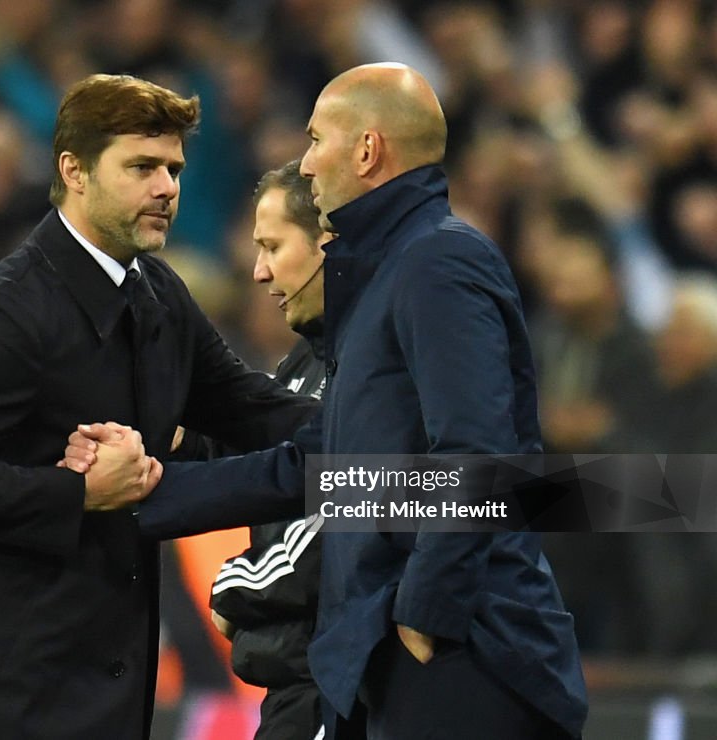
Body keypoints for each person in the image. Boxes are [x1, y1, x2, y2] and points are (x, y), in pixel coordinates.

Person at [68, 63, 588, 739]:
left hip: (468, 656)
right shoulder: (381, 282)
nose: (306, 164)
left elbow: (478, 452)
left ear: (367, 151)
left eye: (316, 141)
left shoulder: (439, 260)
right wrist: (146, 489)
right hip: (390, 660)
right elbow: (309, 470)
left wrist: (427, 609)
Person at [0, 73, 318, 740]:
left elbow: (250, 410)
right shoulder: (10, 310)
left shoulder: (159, 293)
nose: (167, 188)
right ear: (74, 172)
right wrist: (75, 491)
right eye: (142, 167)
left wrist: (401, 441)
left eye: (173, 168)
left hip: (97, 681)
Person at [209, 160, 330, 740]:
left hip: (337, 682)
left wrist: (240, 584)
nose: (259, 272)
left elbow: (362, 506)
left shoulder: (381, 360)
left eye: (273, 246)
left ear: (326, 243)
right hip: (291, 683)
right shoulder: (302, 362)